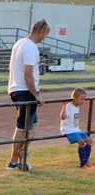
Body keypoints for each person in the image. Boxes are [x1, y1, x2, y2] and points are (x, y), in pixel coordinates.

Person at [7, 18, 50, 171]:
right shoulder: (31, 48)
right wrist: (36, 95)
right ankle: (13, 161)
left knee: (33, 125)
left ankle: (22, 155)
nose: (45, 37)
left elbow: (11, 67)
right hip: (25, 91)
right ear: (40, 31)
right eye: (45, 34)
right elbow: (27, 75)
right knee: (23, 127)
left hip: (16, 89)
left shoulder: (19, 43)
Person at [59, 87, 93, 170]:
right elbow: (62, 117)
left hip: (76, 129)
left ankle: (86, 161)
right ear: (74, 98)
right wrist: (63, 105)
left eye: (84, 99)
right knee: (81, 142)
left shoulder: (76, 106)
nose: (83, 101)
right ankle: (83, 163)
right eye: (81, 99)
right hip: (68, 130)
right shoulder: (68, 106)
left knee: (89, 140)